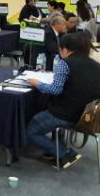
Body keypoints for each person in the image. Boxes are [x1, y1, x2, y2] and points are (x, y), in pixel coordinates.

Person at [26, 33, 100, 168]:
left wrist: (37, 83)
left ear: (65, 50)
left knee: (30, 131)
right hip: (89, 115)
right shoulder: (96, 65)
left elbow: (55, 90)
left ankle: (63, 152)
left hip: (67, 114)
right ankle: (58, 149)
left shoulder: (65, 63)